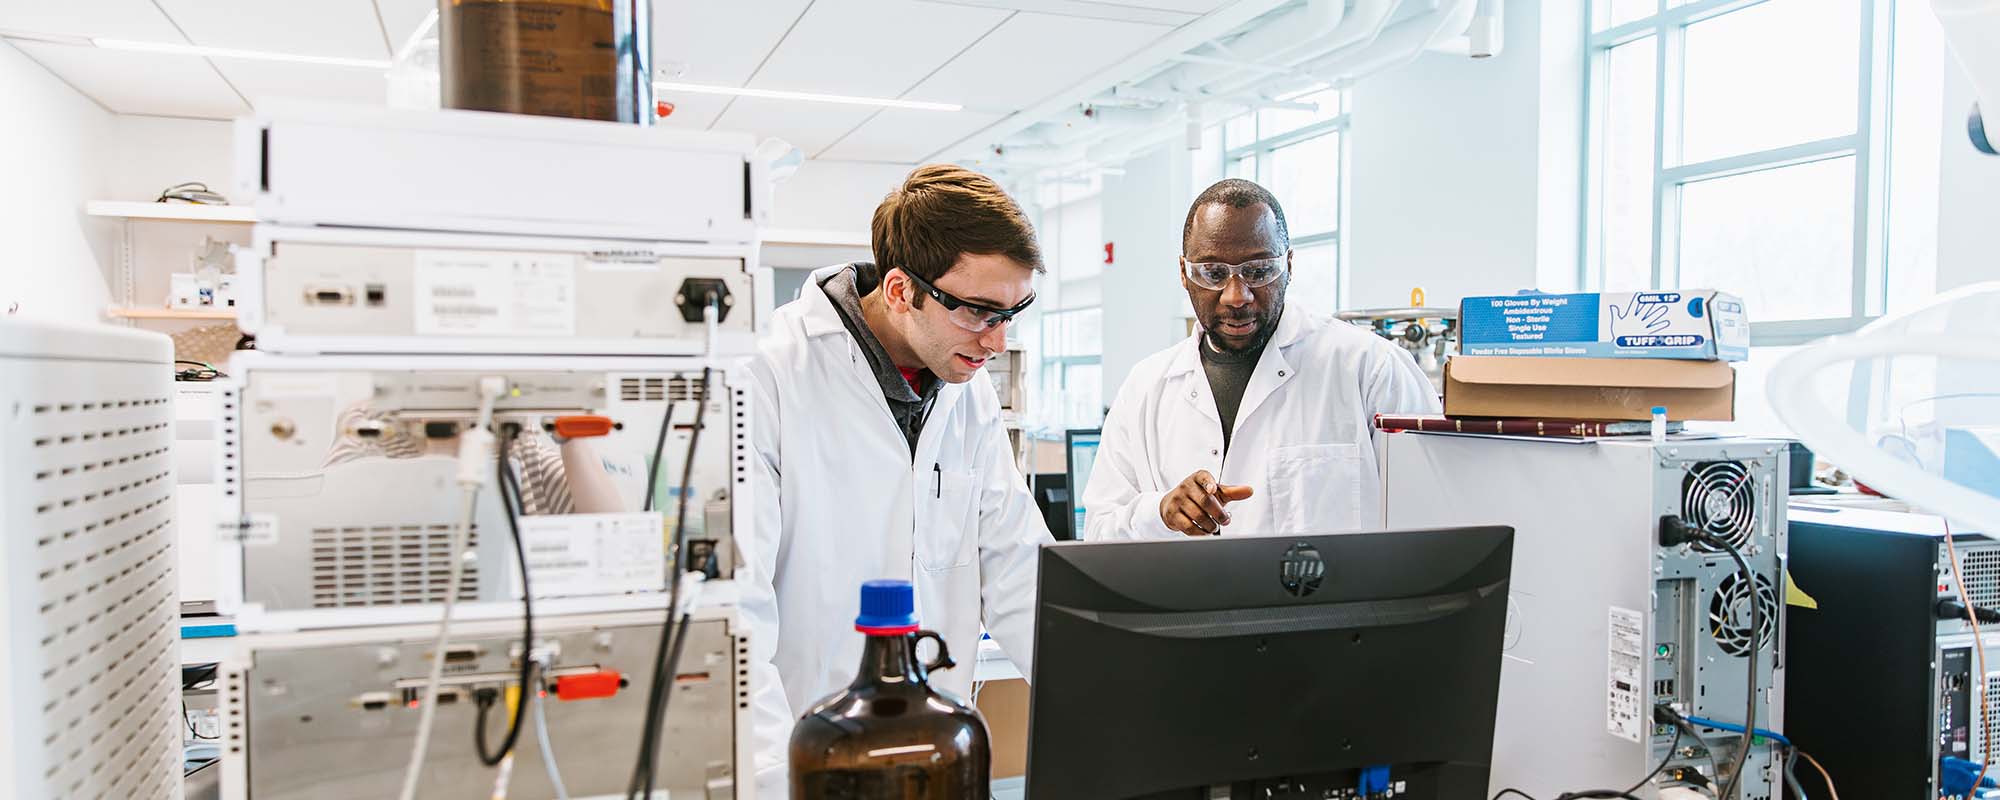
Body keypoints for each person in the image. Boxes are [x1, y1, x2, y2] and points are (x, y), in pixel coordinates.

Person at [740, 164, 1053, 793]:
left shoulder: (970, 393)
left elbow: (1020, 571)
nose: (997, 341)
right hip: (813, 759)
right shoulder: (770, 374)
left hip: (935, 756)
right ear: (901, 290)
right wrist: (778, 778)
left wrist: (1110, 707)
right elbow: (739, 610)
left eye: (1012, 312)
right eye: (979, 312)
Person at [1082, 178, 1438, 540]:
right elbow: (1098, 532)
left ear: (1289, 265)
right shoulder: (1145, 388)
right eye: (1213, 273)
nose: (1236, 296)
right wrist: (1160, 513)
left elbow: (1436, 518)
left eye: (1257, 271)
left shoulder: (1370, 369)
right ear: (1184, 273)